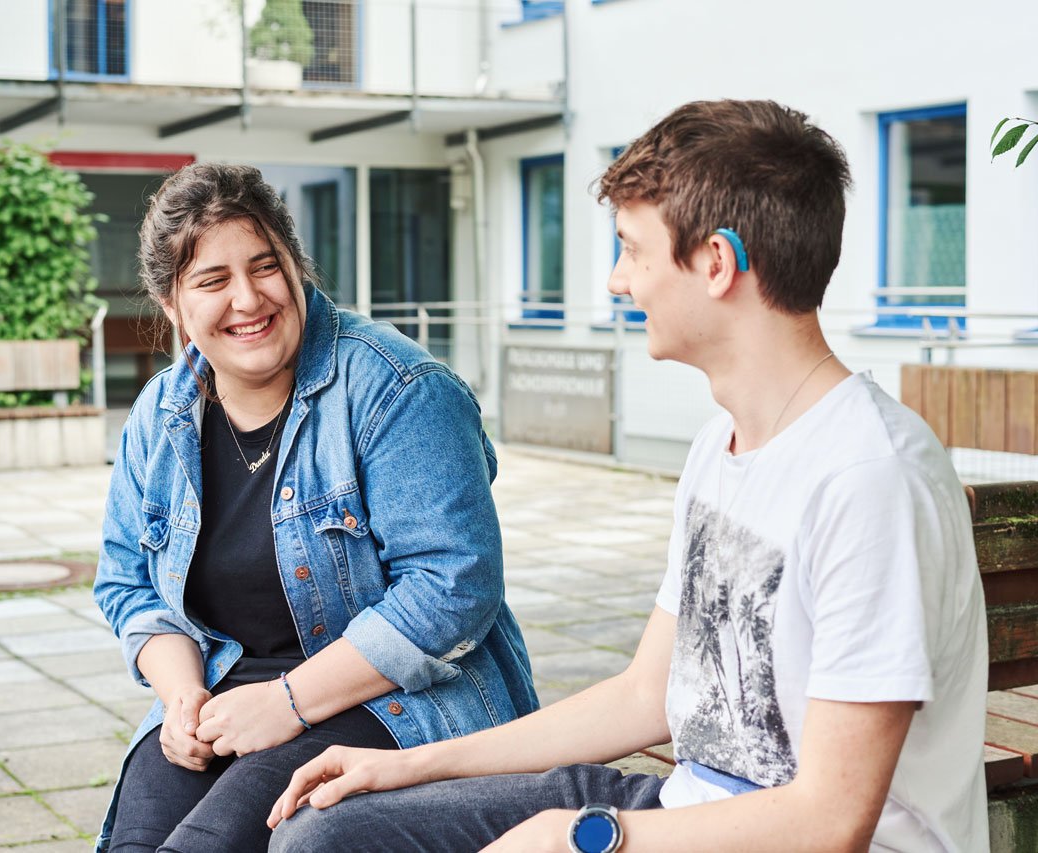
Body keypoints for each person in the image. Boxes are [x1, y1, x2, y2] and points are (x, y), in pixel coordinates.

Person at [267, 100, 988, 852]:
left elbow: (828, 822)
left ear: (715, 261)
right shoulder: (721, 445)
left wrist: (579, 839)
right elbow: (648, 695)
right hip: (685, 805)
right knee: (329, 831)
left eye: (632, 250)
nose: (617, 280)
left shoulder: (869, 477)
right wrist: (410, 765)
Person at [92, 163, 538, 853]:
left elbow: (454, 588)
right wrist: (181, 696)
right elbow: (128, 582)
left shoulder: (399, 388)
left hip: (392, 701)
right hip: (226, 695)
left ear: (296, 266)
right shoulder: (162, 410)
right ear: (172, 304)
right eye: (212, 281)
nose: (247, 298)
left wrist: (287, 702)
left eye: (265, 267)